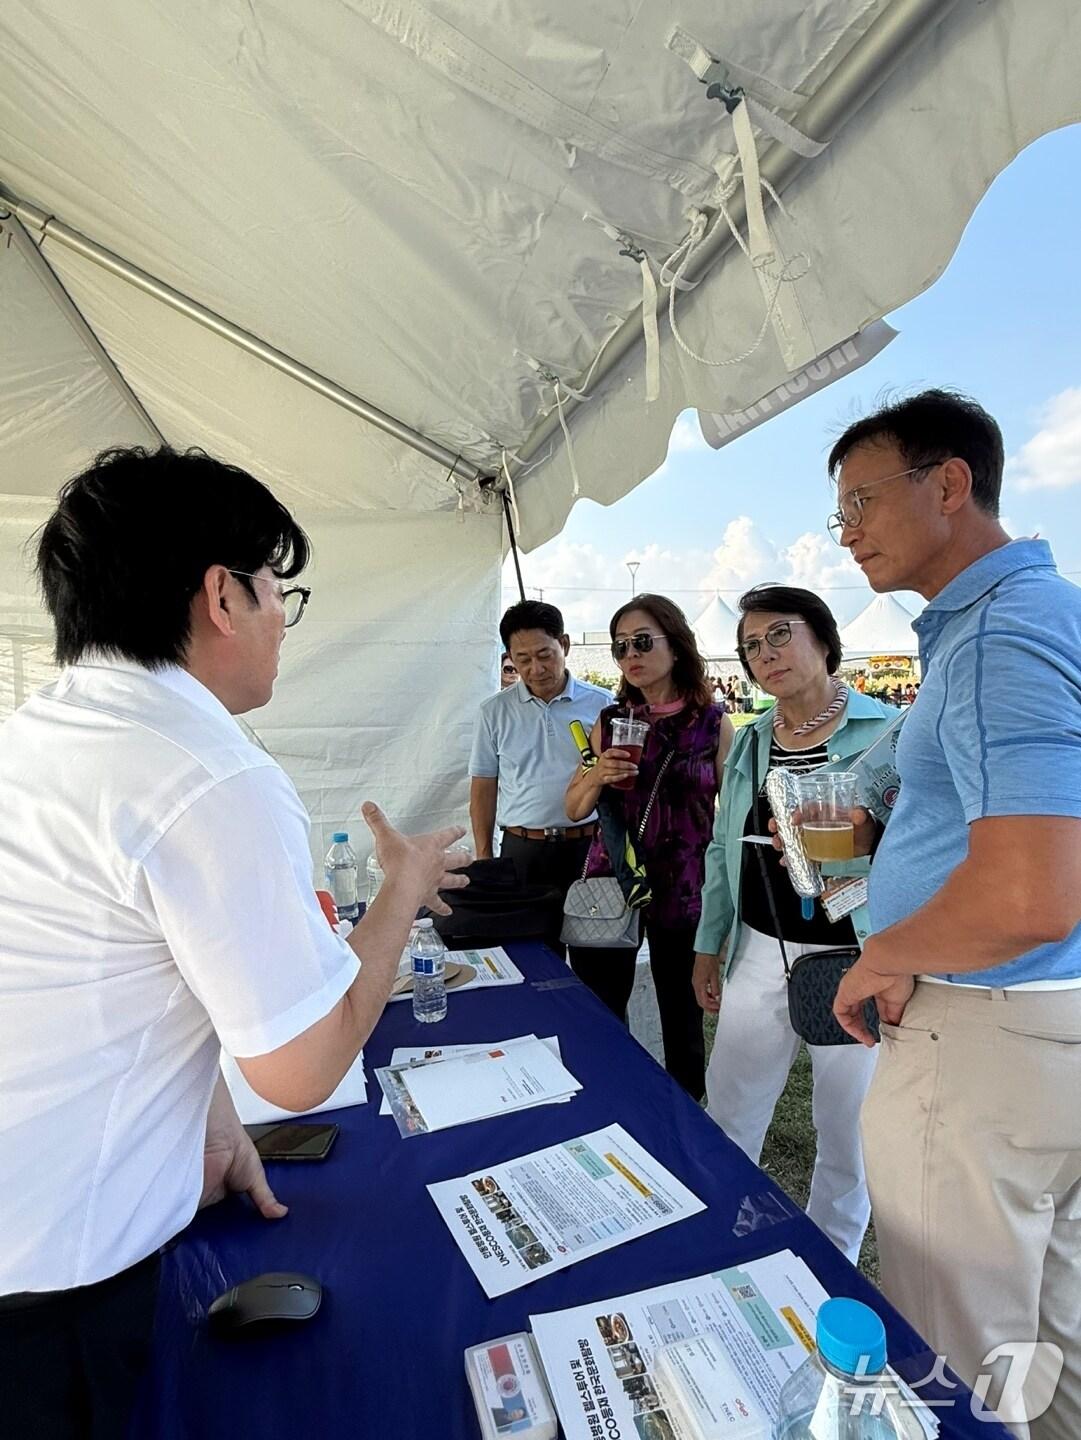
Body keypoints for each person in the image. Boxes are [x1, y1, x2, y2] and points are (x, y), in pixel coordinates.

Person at [0, 446, 469, 1439]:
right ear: (222, 594)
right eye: (276, 593)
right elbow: (301, 1070)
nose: (279, 627)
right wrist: (400, 898)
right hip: (47, 1280)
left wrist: (211, 1123)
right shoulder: (208, 772)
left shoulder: (35, 735)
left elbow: (122, 969)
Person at [826, 389, 1081, 1438]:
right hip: (1048, 1027)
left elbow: (1029, 890)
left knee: (955, 1352)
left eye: (861, 502)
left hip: (983, 1030)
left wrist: (885, 948)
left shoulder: (992, 637)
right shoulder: (1048, 609)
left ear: (948, 484)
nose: (846, 533)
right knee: (1052, 1330)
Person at [692, 585, 894, 1261]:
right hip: (757, 949)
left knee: (846, 1129)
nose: (764, 654)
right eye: (750, 645)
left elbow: (920, 842)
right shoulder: (750, 741)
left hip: (853, 957)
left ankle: (828, 1261)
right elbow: (724, 851)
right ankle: (721, 1239)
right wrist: (707, 943)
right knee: (730, 1110)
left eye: (779, 634)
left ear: (822, 637)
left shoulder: (885, 732)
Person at [565, 595, 734, 1097]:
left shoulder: (713, 724)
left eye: (642, 642)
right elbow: (574, 807)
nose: (630, 655)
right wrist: (599, 775)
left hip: (683, 888)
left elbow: (729, 818)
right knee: (601, 1010)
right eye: (620, 647)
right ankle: (609, 1103)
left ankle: (685, 1123)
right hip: (612, 880)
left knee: (682, 1018)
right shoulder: (611, 718)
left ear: (677, 645)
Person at [469, 601, 611, 947]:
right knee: (531, 961)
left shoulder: (604, 704)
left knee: (598, 965)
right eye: (523, 659)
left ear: (564, 644)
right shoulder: (494, 712)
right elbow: (484, 788)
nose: (536, 668)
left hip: (590, 850)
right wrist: (485, 857)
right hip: (522, 853)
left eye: (544, 654)